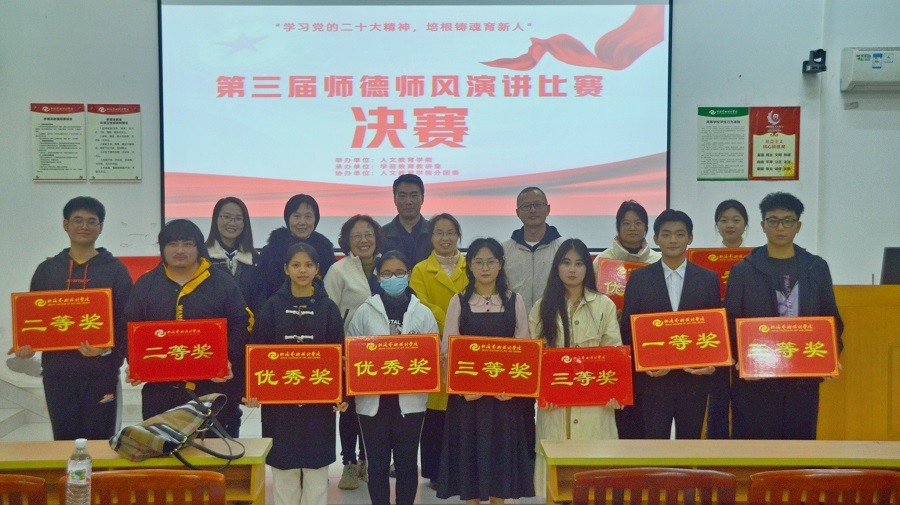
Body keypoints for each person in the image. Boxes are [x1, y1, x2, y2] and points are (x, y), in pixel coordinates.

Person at [7, 196, 132, 440]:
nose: (84, 226)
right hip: (58, 374)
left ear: (101, 227)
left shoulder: (115, 270)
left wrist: (105, 349)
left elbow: (125, 320)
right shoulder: (47, 270)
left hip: (101, 373)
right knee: (64, 440)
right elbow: (34, 318)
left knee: (101, 442)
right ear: (66, 225)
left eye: (91, 221)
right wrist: (27, 344)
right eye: (77, 220)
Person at [725, 192, 844, 440]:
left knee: (799, 448)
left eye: (787, 221)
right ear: (762, 225)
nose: (780, 227)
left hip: (802, 380)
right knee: (754, 448)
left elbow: (830, 318)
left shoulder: (816, 267)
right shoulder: (743, 270)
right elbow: (731, 321)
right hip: (756, 380)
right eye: (773, 221)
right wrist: (739, 357)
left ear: (798, 226)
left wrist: (831, 356)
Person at [124, 219, 251, 437]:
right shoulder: (146, 284)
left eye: (187, 244)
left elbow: (241, 324)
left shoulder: (222, 282)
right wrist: (135, 362)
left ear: (199, 247)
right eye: (172, 244)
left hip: (213, 391)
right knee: (164, 452)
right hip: (160, 393)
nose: (180, 250)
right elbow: (128, 327)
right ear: (162, 248)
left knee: (215, 452)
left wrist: (226, 358)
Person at [246, 243, 347, 505]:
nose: (302, 270)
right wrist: (253, 391)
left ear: (317, 269)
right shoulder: (271, 307)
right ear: (286, 269)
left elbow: (340, 356)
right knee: (284, 472)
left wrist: (342, 394)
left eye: (308, 265)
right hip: (281, 408)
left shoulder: (329, 309)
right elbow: (256, 353)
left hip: (319, 406)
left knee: (316, 473)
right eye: (296, 265)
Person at [437, 238, 534, 505]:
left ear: (501, 264)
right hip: (468, 400)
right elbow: (448, 352)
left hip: (504, 399)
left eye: (491, 261)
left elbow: (524, 350)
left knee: (500, 458)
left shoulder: (514, 300)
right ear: (469, 266)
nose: (485, 267)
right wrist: (461, 389)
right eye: (478, 262)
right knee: (470, 458)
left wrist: (512, 388)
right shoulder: (459, 301)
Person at [347, 250, 440, 505]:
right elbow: (352, 354)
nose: (393, 278)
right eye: (387, 273)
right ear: (378, 277)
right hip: (372, 404)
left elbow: (432, 357)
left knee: (407, 465)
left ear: (408, 275)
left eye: (399, 273)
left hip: (410, 404)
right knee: (376, 466)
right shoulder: (364, 312)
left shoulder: (423, 313)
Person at [529, 238, 621, 496]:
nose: (572, 269)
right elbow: (535, 359)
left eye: (579, 263)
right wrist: (543, 391)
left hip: (596, 406)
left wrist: (615, 392)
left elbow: (614, 355)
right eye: (566, 262)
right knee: (557, 488)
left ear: (587, 268)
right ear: (557, 267)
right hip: (555, 407)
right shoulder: (541, 307)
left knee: (594, 486)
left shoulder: (604, 305)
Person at [619, 209, 721, 439]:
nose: (673, 240)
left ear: (690, 238)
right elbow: (628, 329)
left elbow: (715, 329)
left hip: (694, 381)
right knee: (654, 448)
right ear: (656, 239)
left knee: (690, 447)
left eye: (680, 234)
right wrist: (644, 364)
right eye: (666, 234)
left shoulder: (708, 279)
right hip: (654, 382)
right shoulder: (639, 279)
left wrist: (712, 363)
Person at [592, 199, 661, 440]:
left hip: (650, 344)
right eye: (626, 223)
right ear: (618, 226)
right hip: (614, 342)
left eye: (638, 223)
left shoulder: (657, 261)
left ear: (646, 227)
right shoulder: (601, 262)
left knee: (649, 409)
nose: (632, 228)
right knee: (619, 406)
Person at [408, 213, 468, 488]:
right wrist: (449, 320)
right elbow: (419, 304)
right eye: (439, 233)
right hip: (434, 347)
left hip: (467, 346)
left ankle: (461, 470)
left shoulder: (471, 265)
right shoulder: (420, 270)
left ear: (458, 235)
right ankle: (434, 471)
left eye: (450, 232)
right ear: (430, 237)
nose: (445, 238)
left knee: (463, 411)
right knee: (434, 413)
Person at [324, 215, 383, 489]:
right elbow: (329, 312)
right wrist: (337, 350)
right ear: (347, 240)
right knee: (348, 410)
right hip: (349, 351)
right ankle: (348, 462)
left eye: (368, 234)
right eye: (356, 235)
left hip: (382, 353)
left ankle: (365, 460)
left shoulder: (387, 266)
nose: (363, 240)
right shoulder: (339, 270)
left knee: (373, 409)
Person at [706, 199, 750, 439]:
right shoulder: (703, 260)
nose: (730, 225)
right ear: (717, 225)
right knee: (717, 397)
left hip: (747, 334)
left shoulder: (756, 260)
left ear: (746, 224)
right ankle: (716, 449)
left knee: (746, 396)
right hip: (715, 334)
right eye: (724, 220)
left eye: (736, 220)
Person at [250, 194, 337, 313]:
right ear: (288, 219)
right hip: (278, 313)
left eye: (308, 217)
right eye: (296, 216)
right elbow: (260, 293)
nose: (302, 222)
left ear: (315, 219)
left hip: (316, 313)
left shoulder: (325, 250)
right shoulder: (271, 251)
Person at [502, 187, 562, 311]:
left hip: (554, 318)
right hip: (514, 319)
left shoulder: (563, 248)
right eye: (526, 206)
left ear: (548, 209)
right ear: (517, 213)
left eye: (538, 205)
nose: (533, 210)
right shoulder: (504, 250)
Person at [204, 196, 257, 298]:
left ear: (244, 223)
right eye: (227, 217)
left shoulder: (255, 260)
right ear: (216, 219)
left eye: (238, 218)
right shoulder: (201, 256)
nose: (232, 223)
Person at [382, 174, 433, 265]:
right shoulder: (381, 234)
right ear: (394, 200)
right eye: (402, 196)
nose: (408, 202)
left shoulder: (434, 232)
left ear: (422, 199)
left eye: (414, 195)